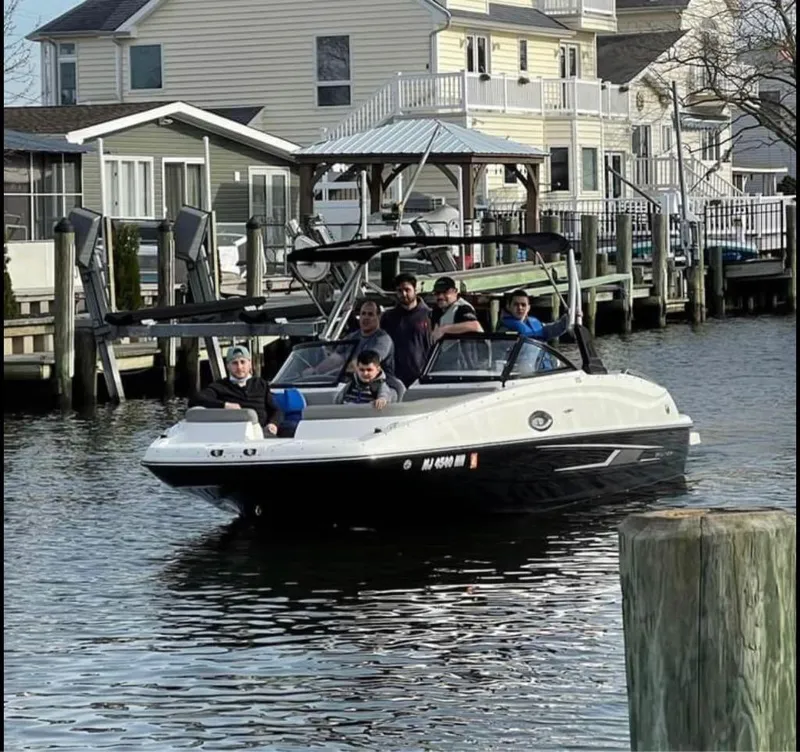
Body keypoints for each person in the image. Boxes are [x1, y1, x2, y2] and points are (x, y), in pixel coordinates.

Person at [189, 345, 282, 435]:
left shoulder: (261, 384)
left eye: (243, 362)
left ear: (249, 364)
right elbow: (196, 399)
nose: (239, 367)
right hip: (233, 433)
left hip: (261, 433)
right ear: (228, 366)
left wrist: (273, 424)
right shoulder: (219, 386)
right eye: (234, 363)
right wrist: (224, 405)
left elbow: (276, 410)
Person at [311, 299, 394, 375]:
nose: (366, 317)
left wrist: (332, 374)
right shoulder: (352, 337)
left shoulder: (383, 340)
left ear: (378, 317)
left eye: (370, 314)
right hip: (350, 382)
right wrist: (316, 371)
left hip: (379, 382)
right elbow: (335, 358)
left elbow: (366, 363)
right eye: (363, 313)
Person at [380, 272, 433, 387]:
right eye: (399, 290)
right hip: (395, 379)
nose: (403, 294)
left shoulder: (430, 315)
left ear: (415, 289)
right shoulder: (388, 317)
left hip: (422, 378)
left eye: (407, 289)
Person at [496, 289, 570, 341]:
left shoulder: (536, 324)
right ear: (508, 306)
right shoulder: (504, 329)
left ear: (528, 308)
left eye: (523, 305)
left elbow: (555, 328)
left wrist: (568, 317)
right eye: (516, 304)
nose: (520, 307)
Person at [430, 276, 484, 342]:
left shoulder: (462, 308)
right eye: (437, 293)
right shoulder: (437, 310)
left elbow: (475, 326)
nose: (441, 296)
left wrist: (444, 329)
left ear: (455, 292)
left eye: (445, 292)